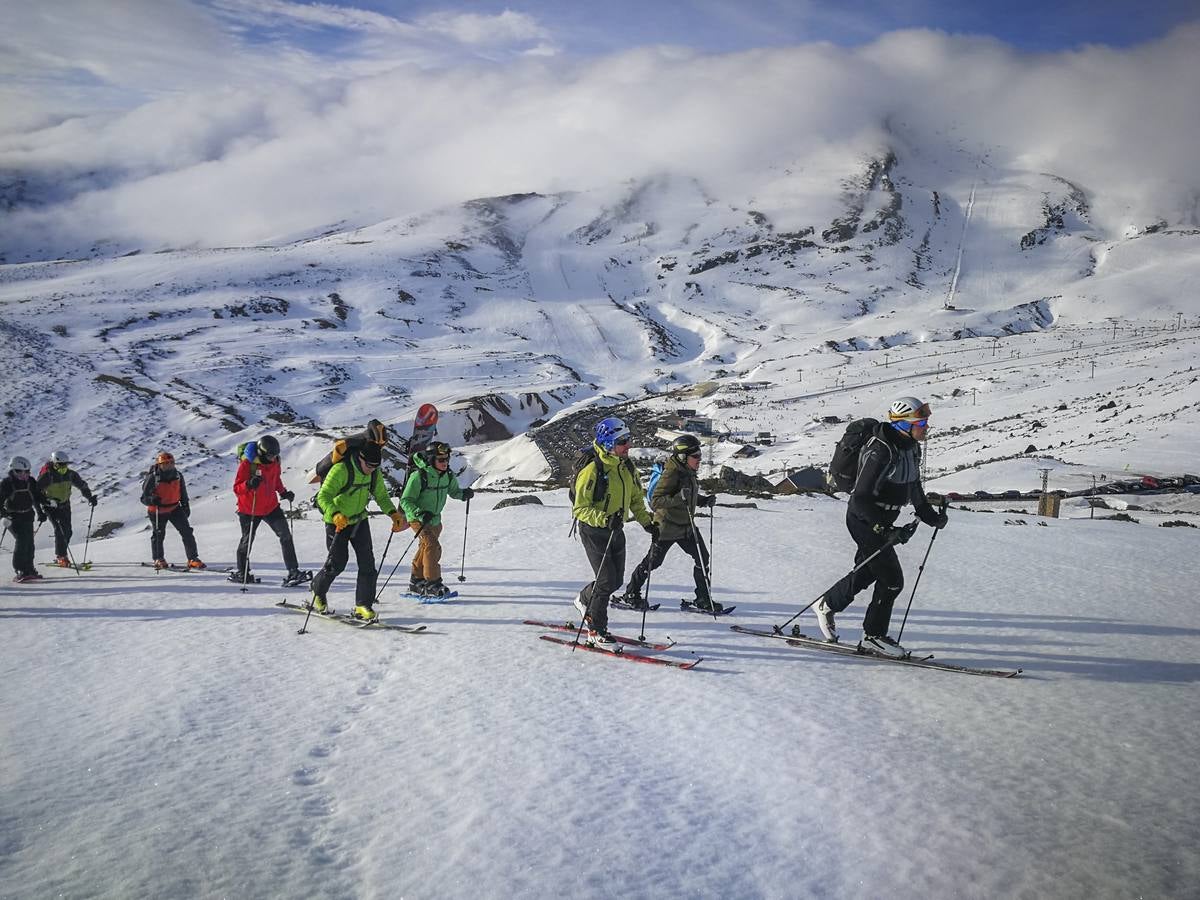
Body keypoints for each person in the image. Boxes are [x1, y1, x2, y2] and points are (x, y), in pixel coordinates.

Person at [813, 397, 948, 657]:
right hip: (864, 519)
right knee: (892, 580)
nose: (926, 426)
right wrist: (882, 529)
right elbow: (861, 497)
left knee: (867, 571)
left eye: (926, 421)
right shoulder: (881, 450)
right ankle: (873, 636)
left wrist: (931, 517)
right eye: (921, 422)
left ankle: (827, 604)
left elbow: (914, 486)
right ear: (903, 424)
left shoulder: (911, 448)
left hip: (884, 520)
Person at [571, 417, 658, 650]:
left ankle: (584, 598)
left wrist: (646, 522)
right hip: (594, 530)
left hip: (616, 529)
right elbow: (580, 508)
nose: (628, 445)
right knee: (606, 580)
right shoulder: (592, 470)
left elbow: (635, 499)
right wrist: (604, 519)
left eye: (628, 440)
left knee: (615, 581)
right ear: (608, 443)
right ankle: (596, 630)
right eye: (622, 441)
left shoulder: (627, 467)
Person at [617, 433, 721, 611]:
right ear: (682, 456)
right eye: (695, 456)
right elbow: (656, 501)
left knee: (702, 558)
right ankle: (631, 593)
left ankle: (703, 599)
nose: (699, 459)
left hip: (686, 526)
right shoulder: (671, 473)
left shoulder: (687, 471)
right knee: (653, 562)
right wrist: (679, 499)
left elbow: (687, 495)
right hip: (666, 528)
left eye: (700, 455)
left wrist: (703, 501)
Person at [311, 442, 406, 621]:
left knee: (368, 564)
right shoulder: (341, 470)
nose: (372, 470)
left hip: (359, 520)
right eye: (369, 466)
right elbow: (323, 497)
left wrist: (393, 513)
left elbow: (381, 496)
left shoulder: (374, 472)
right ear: (360, 458)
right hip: (337, 523)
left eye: (376, 467)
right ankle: (318, 591)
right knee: (337, 563)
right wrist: (336, 514)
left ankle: (363, 605)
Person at [398, 441, 473, 599]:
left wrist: (463, 494)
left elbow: (453, 492)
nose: (445, 462)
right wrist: (419, 513)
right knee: (432, 546)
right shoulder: (419, 476)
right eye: (441, 460)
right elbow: (405, 500)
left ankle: (416, 581)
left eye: (446, 459)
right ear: (432, 460)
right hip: (418, 518)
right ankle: (432, 583)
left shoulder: (448, 475)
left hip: (435, 520)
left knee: (425, 547)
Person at [231, 435, 308, 586]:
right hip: (249, 509)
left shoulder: (275, 462)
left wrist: (283, 492)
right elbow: (236, 488)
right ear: (261, 452)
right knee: (247, 541)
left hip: (271, 507)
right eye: (270, 455)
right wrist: (248, 484)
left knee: (285, 535)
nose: (273, 458)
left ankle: (293, 571)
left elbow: (275, 480)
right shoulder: (248, 464)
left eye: (275, 455)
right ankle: (242, 572)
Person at [140, 451, 205, 570]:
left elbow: (182, 491)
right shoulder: (153, 477)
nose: (169, 465)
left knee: (187, 532)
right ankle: (158, 558)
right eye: (165, 463)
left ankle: (192, 558)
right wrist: (152, 499)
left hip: (174, 508)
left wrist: (185, 505)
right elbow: (143, 498)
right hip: (157, 510)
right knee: (159, 535)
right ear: (160, 464)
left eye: (171, 463)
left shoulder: (178, 475)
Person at [36, 450, 97, 567]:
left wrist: (90, 497)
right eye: (61, 464)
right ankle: (61, 556)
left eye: (65, 464)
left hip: (65, 506)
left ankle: (61, 554)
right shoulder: (47, 476)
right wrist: (43, 506)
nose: (64, 467)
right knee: (60, 530)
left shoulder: (70, 474)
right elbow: (36, 493)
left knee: (68, 531)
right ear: (54, 464)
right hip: (51, 507)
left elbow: (82, 486)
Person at [1, 456, 50, 581]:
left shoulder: (30, 481)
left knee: (29, 543)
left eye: (27, 472)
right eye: (19, 471)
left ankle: (29, 569)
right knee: (22, 541)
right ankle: (21, 570)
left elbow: (37, 496)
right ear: (13, 470)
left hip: (28, 515)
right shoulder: (6, 483)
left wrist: (46, 504)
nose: (24, 475)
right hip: (13, 517)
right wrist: (3, 516)